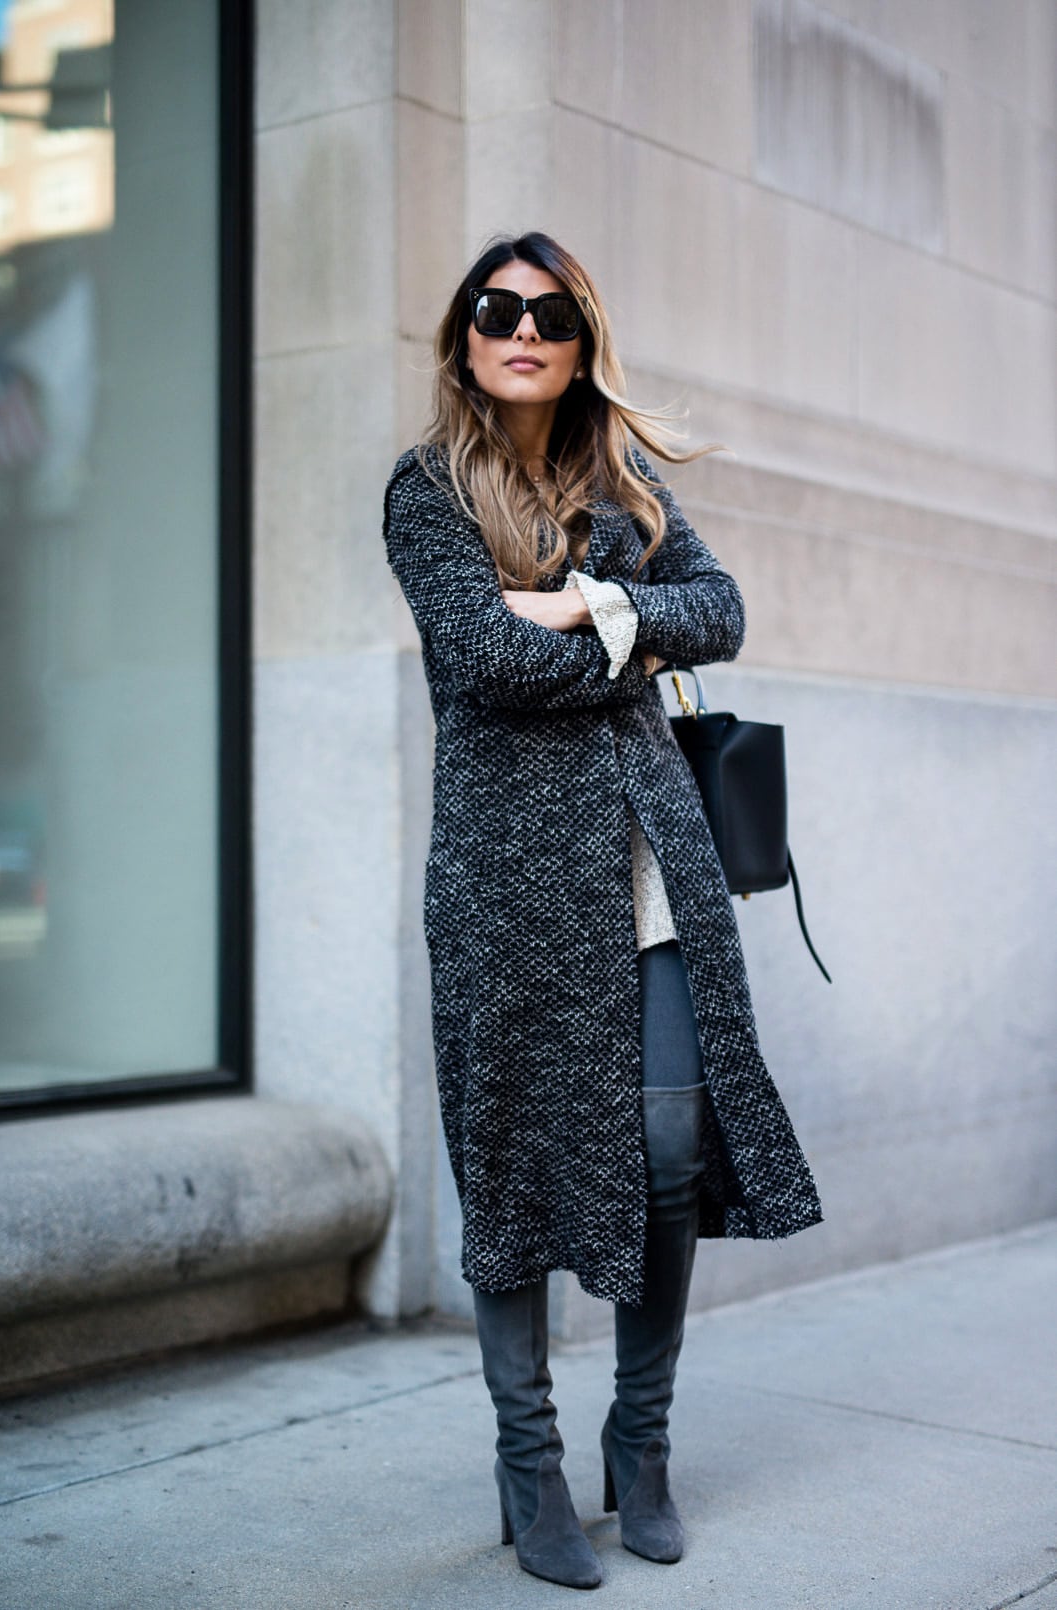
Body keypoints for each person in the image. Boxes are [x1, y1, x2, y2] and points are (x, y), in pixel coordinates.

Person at [382, 232, 822, 1590]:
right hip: (509, 883)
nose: (522, 329)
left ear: (581, 341)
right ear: (464, 335)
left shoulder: (619, 485)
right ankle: (528, 1459)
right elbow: (481, 658)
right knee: (511, 1163)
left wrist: (585, 606)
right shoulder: (425, 489)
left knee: (672, 1145)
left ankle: (643, 1441)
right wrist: (623, 642)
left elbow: (723, 607)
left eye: (551, 313)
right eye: (496, 309)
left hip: (652, 871)